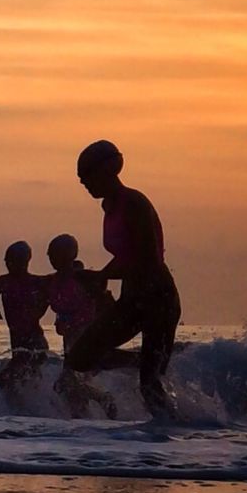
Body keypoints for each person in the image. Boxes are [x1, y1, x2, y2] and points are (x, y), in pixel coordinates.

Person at [63, 140, 181, 417]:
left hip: (158, 298)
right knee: (80, 358)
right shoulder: (109, 206)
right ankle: (146, 362)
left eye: (86, 176)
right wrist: (99, 276)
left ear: (106, 170)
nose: (84, 184)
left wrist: (103, 275)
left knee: (149, 386)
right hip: (132, 298)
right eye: (80, 179)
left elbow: (148, 259)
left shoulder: (134, 203)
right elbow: (126, 255)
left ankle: (174, 442)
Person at [42, 233, 117, 418]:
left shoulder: (84, 278)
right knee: (71, 389)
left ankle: (103, 398)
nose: (50, 258)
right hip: (69, 340)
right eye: (49, 254)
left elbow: (105, 296)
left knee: (65, 384)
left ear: (68, 255)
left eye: (54, 254)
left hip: (86, 336)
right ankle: (82, 425)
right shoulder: (51, 281)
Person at [0, 240, 49, 404]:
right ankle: (32, 412)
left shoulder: (37, 282)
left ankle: (25, 412)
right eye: (7, 260)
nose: (10, 264)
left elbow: (52, 297)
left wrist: (38, 311)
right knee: (22, 380)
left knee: (8, 378)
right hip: (17, 342)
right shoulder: (3, 281)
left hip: (35, 341)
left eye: (14, 260)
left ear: (26, 261)